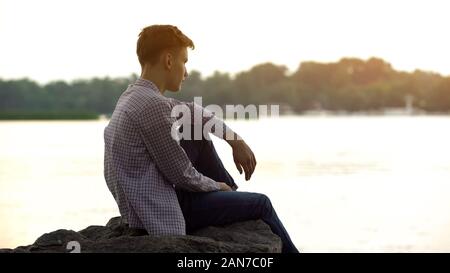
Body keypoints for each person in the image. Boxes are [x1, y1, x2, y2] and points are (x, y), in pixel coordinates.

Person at [103, 24, 299, 253]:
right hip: (159, 209)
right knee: (261, 203)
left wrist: (234, 139)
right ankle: (233, 198)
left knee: (194, 130)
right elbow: (182, 174)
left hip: (146, 201)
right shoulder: (152, 106)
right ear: (168, 60)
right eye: (184, 61)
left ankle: (232, 199)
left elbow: (191, 111)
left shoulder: (133, 95)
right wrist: (218, 186)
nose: (185, 72)